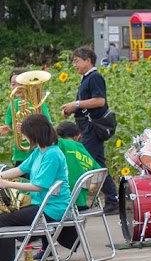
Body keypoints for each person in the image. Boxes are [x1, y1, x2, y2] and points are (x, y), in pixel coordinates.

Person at [0, 115, 73, 261]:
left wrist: (6, 184)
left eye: (25, 133)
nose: (24, 137)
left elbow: (39, 186)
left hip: (52, 209)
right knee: (5, 217)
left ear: (34, 133)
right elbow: (20, 169)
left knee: (3, 221)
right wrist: (1, 175)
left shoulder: (51, 154)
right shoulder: (40, 151)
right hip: (42, 205)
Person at [60, 47, 118, 213]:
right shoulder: (87, 78)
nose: (74, 65)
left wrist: (76, 104)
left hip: (91, 128)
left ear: (87, 60)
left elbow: (100, 101)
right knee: (97, 164)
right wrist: (72, 108)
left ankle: (82, 202)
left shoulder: (94, 77)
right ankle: (112, 200)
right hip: (86, 126)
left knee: (84, 161)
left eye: (76, 61)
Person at [1, 68, 54, 167]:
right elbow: (11, 128)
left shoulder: (39, 104)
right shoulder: (12, 104)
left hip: (38, 152)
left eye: (20, 84)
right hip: (20, 154)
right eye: (13, 84)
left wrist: (27, 128)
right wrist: (6, 130)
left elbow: (48, 126)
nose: (17, 87)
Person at [55, 121, 101, 207]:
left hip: (63, 203)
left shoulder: (60, 143)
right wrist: (90, 186)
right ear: (78, 136)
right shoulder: (82, 149)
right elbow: (99, 172)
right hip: (81, 204)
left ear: (57, 134)